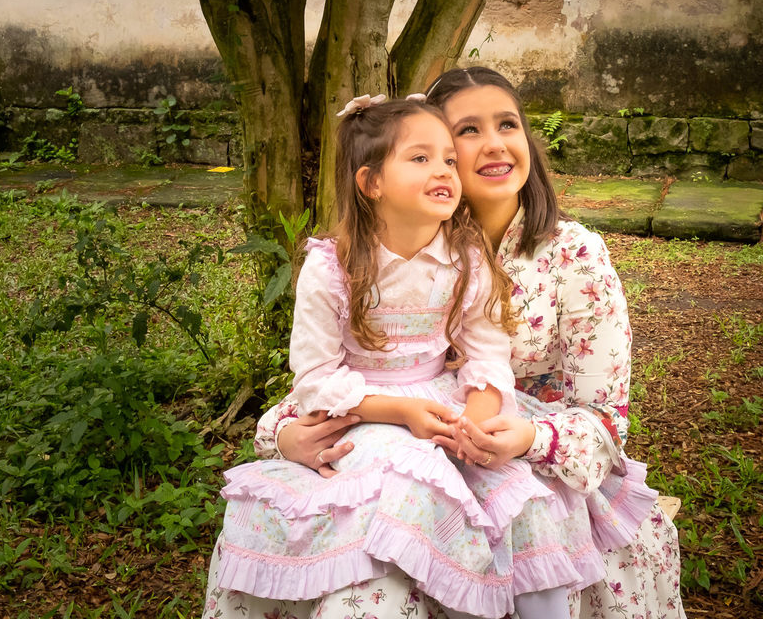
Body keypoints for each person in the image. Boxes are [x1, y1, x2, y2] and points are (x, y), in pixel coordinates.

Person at [205, 69, 685, 618]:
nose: (495, 145)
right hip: (393, 443)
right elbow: (332, 375)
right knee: (370, 572)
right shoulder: (367, 253)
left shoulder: (571, 255)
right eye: (468, 132)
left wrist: (519, 435)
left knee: (521, 529)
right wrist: (286, 435)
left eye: (507, 124)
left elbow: (604, 422)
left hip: (513, 448)